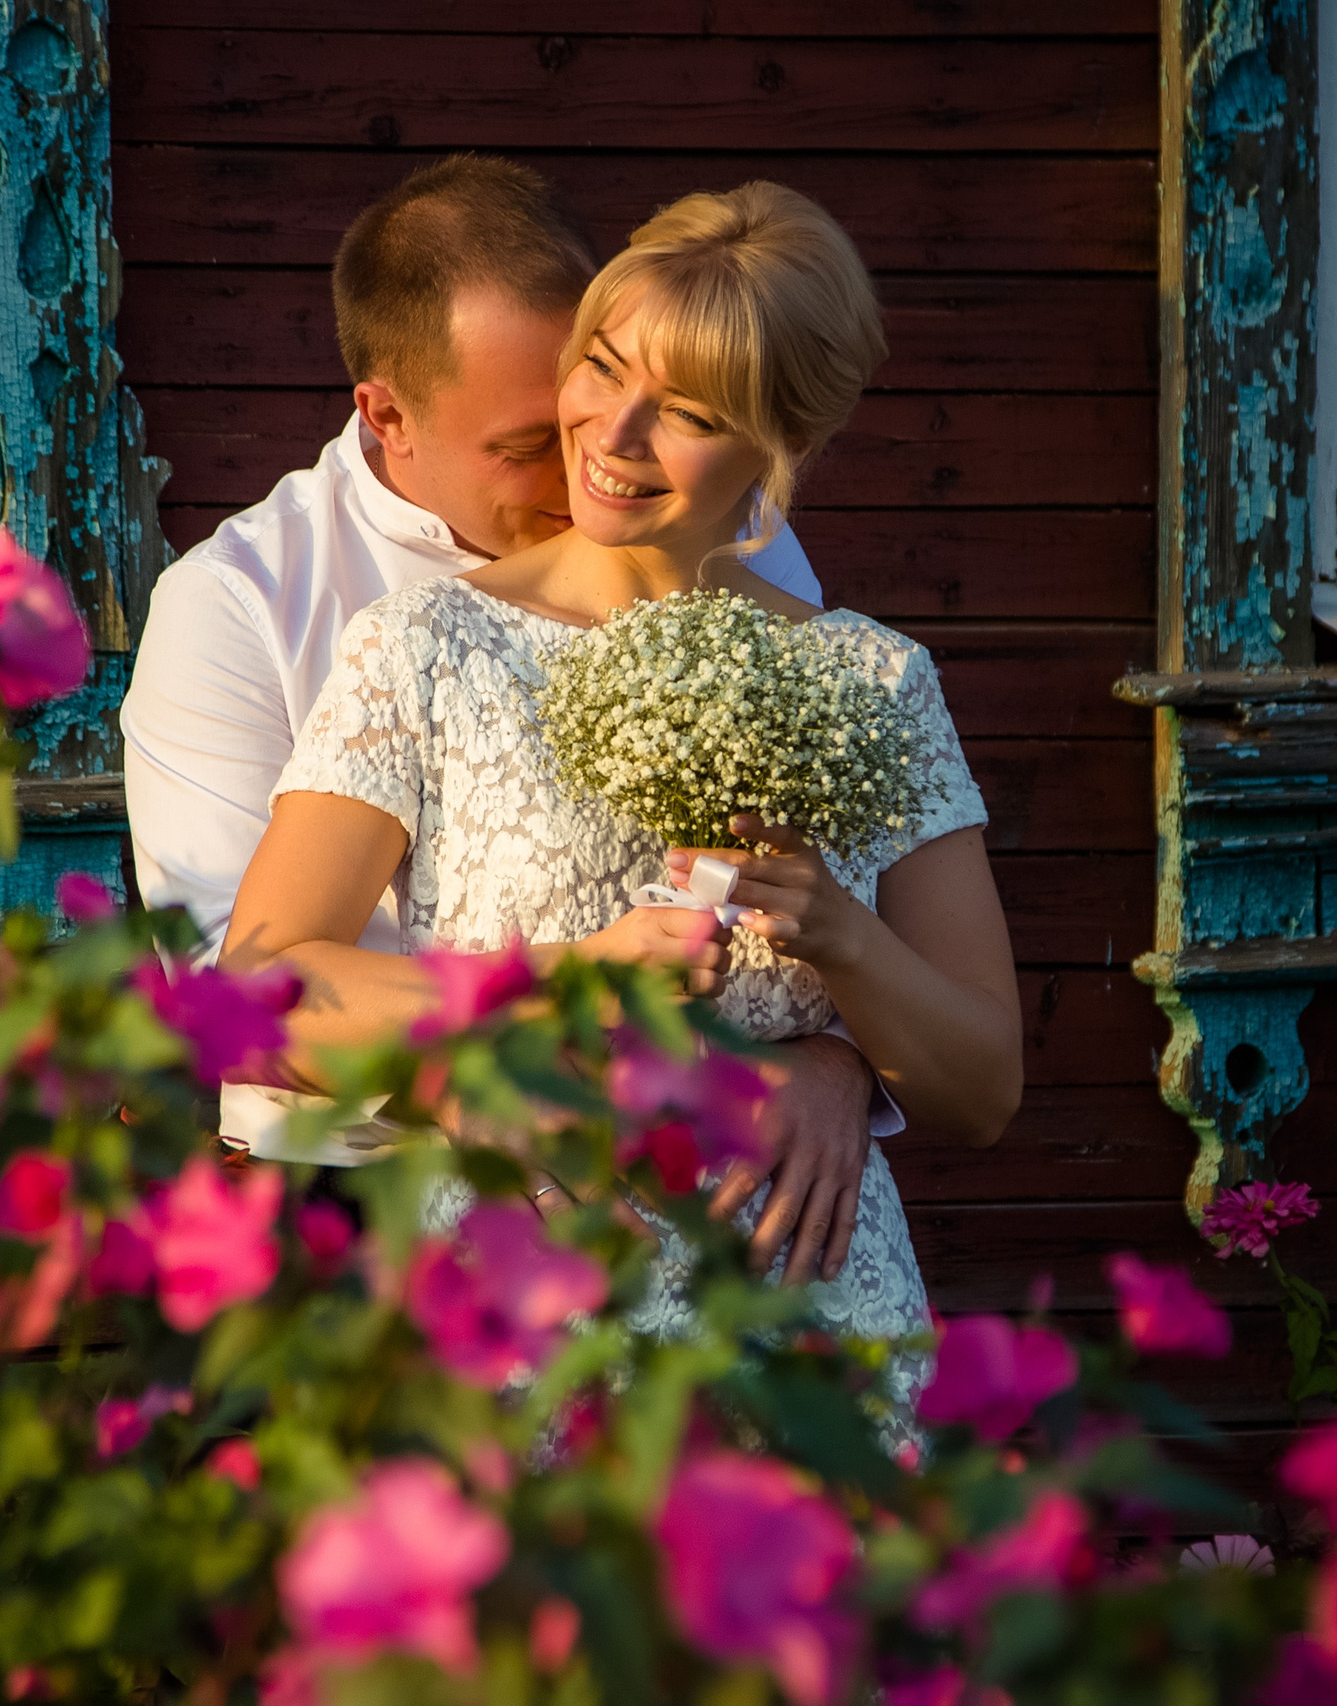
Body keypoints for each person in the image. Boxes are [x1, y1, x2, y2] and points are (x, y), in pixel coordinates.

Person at [215, 181, 1023, 1402]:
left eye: (687, 411)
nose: (611, 430)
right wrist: (565, 978)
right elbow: (266, 985)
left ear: (780, 442)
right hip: (523, 1326)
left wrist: (844, 954)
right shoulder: (425, 646)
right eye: (600, 365)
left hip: (808, 1326)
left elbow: (984, 1084)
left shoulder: (873, 677)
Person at [122, 156, 888, 1286]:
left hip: (713, 1194)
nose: (595, 463)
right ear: (387, 416)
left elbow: (811, 883)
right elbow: (243, 1001)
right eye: (529, 445)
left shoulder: (726, 537)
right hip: (358, 1195)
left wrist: (841, 1064)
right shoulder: (243, 603)